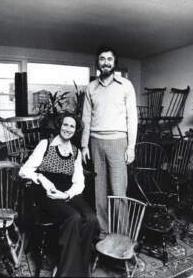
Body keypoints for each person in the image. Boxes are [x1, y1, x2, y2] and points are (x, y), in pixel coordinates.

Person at [19, 112, 98, 277]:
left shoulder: (75, 152)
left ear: (75, 131)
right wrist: (40, 177)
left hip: (66, 191)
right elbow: (24, 170)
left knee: (91, 218)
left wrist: (67, 195)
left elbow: (79, 182)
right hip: (46, 191)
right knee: (74, 217)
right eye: (65, 125)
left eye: (72, 126)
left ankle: (80, 269)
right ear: (59, 126)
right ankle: (67, 273)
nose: (68, 129)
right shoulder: (45, 144)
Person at [81, 45, 138, 236]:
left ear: (114, 63)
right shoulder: (91, 87)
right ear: (97, 62)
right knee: (99, 192)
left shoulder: (126, 86)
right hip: (96, 143)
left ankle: (122, 235)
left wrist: (131, 147)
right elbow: (86, 118)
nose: (106, 62)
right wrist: (83, 145)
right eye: (102, 59)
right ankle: (104, 232)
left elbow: (133, 118)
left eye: (109, 59)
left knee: (119, 191)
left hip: (118, 142)